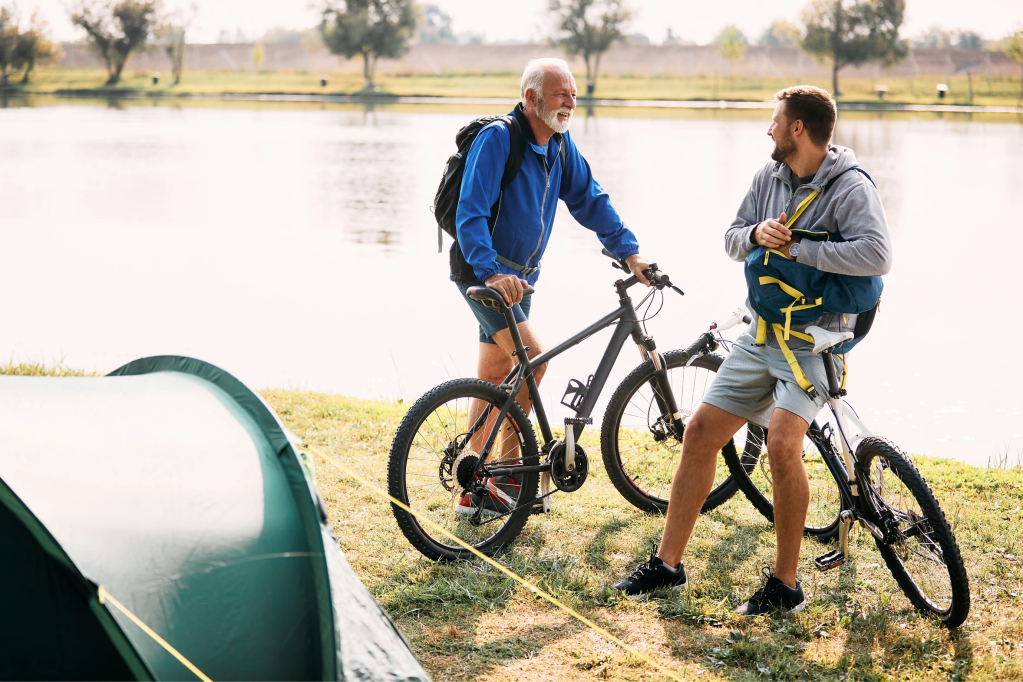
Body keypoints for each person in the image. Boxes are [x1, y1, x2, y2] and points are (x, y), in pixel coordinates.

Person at [612, 85, 892, 615]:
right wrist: (756, 235)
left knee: (784, 444)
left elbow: (878, 254)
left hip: (815, 342)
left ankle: (785, 586)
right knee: (698, 432)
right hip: (760, 335)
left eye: (774, 120)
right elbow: (730, 237)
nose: (768, 129)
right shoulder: (768, 176)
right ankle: (666, 566)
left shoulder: (851, 188)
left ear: (797, 130)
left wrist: (800, 247)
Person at [452, 57, 650, 515]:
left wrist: (630, 252)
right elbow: (471, 211)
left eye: (573, 94)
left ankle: (473, 487)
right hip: (485, 275)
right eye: (561, 93)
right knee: (532, 362)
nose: (569, 102)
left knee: (494, 376)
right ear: (531, 98)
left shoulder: (560, 146)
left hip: (521, 281)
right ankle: (505, 481)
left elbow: (591, 200)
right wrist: (490, 272)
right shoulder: (499, 139)